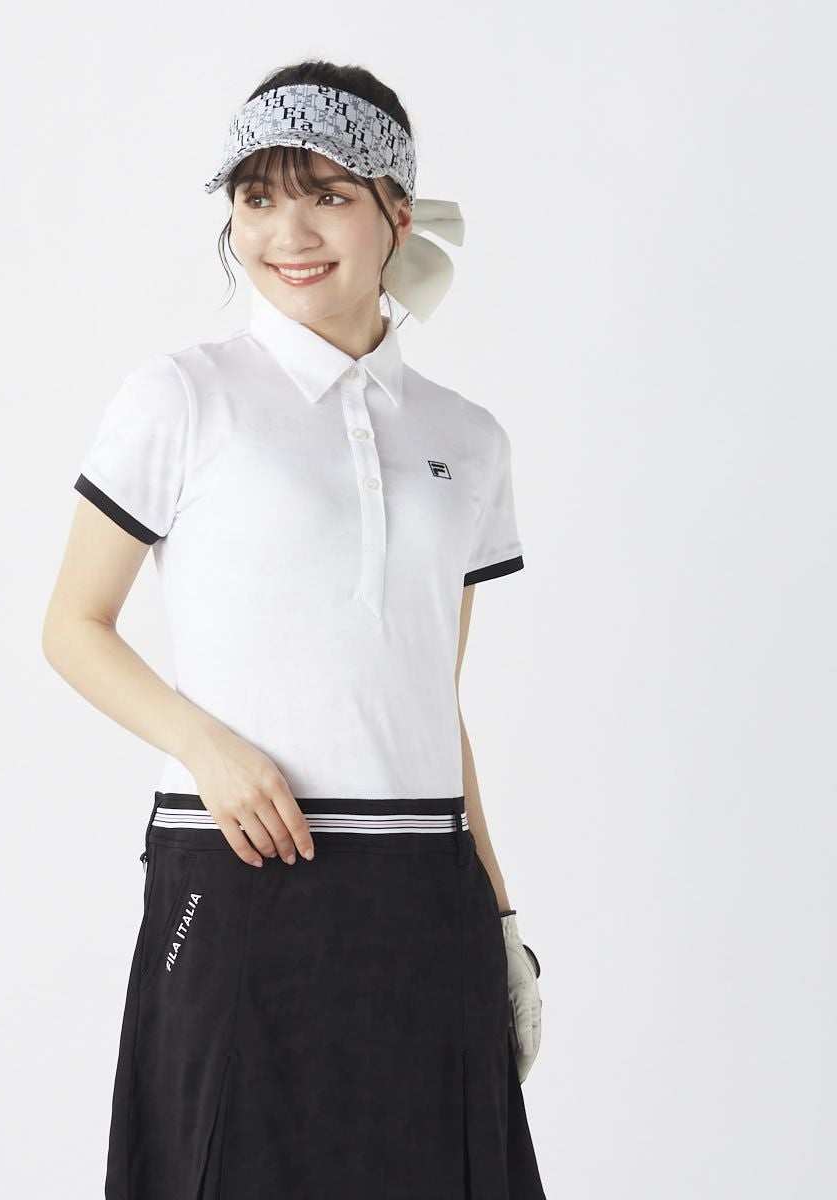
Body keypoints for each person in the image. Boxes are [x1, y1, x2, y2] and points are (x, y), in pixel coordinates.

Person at [42, 59, 547, 1200]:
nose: (288, 232)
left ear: (397, 214)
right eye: (258, 197)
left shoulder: (467, 440)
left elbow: (432, 700)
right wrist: (209, 751)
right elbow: (73, 625)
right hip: (238, 870)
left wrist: (501, 914)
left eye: (327, 194)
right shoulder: (183, 395)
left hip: (424, 891)